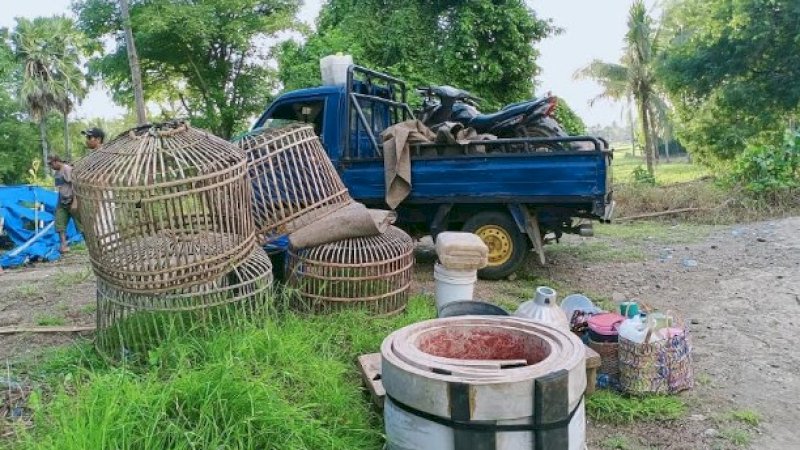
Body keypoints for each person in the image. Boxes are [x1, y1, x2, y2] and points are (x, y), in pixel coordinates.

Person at [48, 155, 81, 253]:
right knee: (59, 223)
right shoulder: (57, 173)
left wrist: (75, 201)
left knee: (81, 225)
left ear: (56, 161)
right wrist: (58, 204)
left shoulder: (67, 169)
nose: (51, 166)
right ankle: (64, 245)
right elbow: (60, 189)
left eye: (51, 164)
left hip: (72, 200)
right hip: (62, 202)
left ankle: (92, 245)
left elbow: (76, 185)